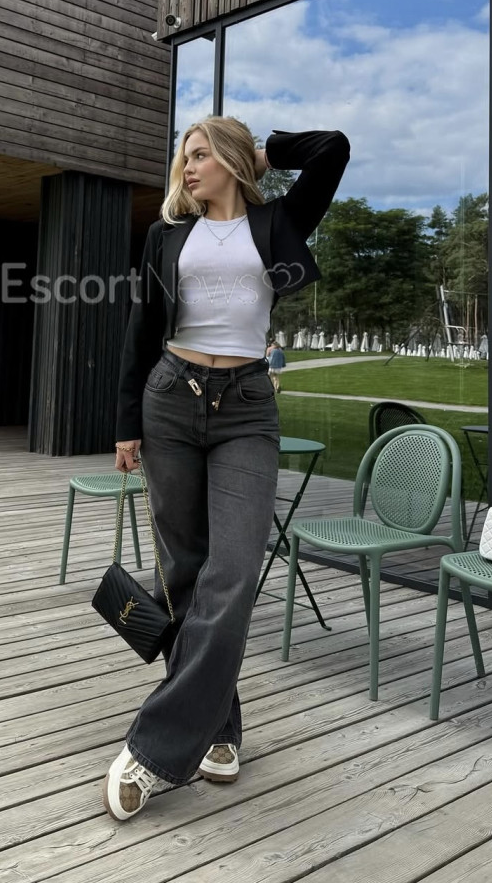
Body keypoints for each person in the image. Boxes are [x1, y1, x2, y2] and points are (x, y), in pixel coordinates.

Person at [105, 117, 350, 821]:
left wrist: (262, 152)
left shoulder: (278, 222)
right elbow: (141, 326)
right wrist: (125, 422)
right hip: (169, 399)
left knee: (234, 570)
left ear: (232, 161)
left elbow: (332, 149)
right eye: (184, 157)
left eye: (201, 154)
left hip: (245, 407)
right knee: (185, 573)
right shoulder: (166, 235)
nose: (187, 167)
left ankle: (155, 747)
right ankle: (218, 726)